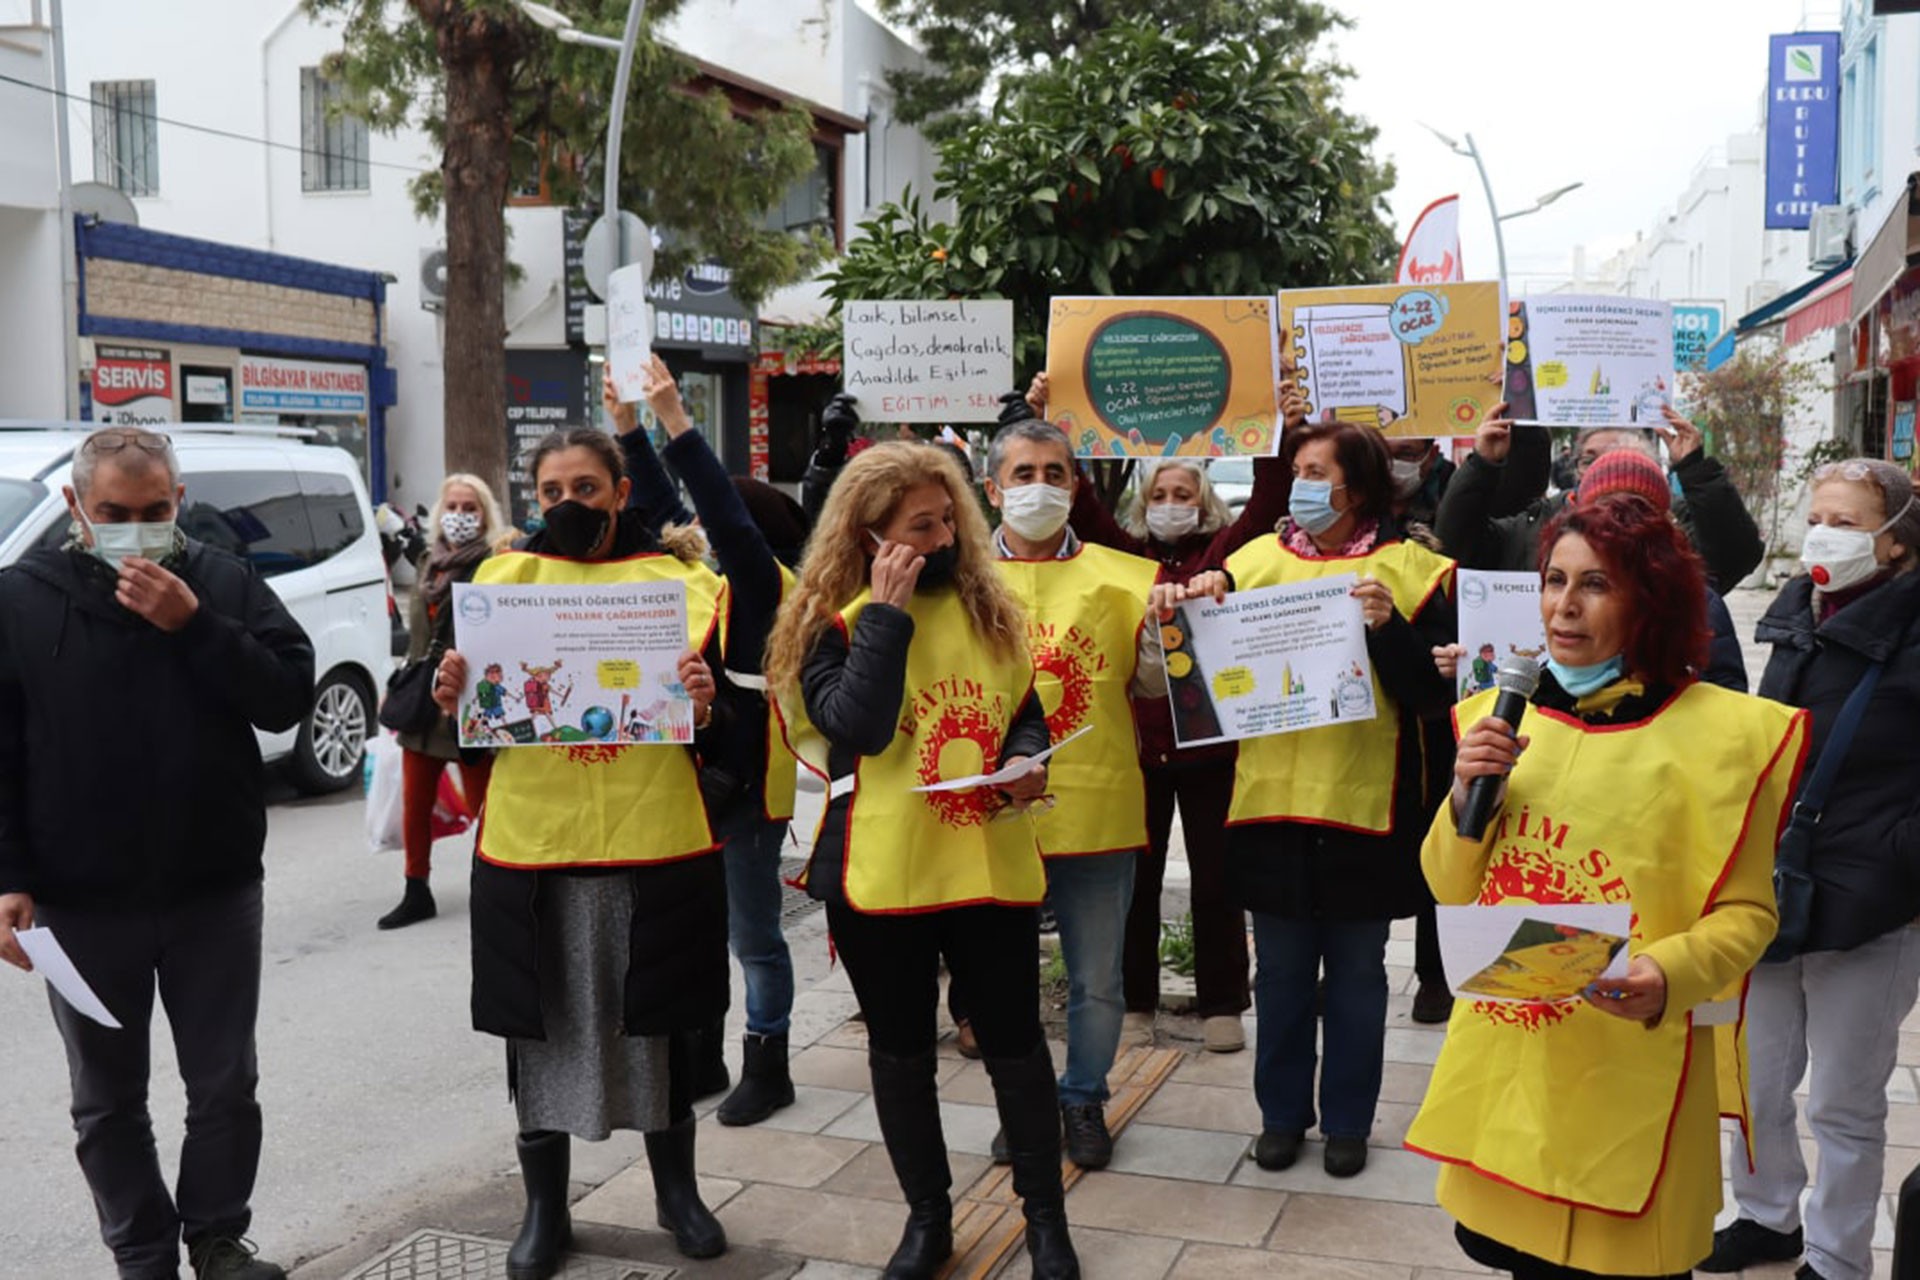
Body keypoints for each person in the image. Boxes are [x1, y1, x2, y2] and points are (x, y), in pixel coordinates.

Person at [1408, 492, 1807, 1279]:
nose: (1563, 605)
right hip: (1512, 1063)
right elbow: (1449, 887)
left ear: (1650, 599)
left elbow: (1751, 913)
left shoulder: (1730, 738)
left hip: (1634, 1062)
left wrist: (1671, 973)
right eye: (1554, 580)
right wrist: (1464, 799)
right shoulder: (1498, 715)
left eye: (1595, 584)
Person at [0, 427, 314, 1280]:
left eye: (154, 511)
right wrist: (9, 879)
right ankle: (143, 1257)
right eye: (114, 512)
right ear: (76, 507)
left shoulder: (220, 581)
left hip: (211, 888)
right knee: (107, 1103)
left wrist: (197, 626)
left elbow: (288, 697)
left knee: (223, 1086)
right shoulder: (21, 597)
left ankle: (216, 1237)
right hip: (79, 901)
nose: (136, 528)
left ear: (178, 503)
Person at [765, 441, 1081, 1280]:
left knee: (1017, 1045)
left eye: (947, 522)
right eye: (920, 527)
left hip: (986, 865)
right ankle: (928, 1220)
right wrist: (887, 615)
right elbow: (858, 728)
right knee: (902, 1054)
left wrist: (1027, 759)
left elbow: (1025, 710)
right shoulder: (829, 625)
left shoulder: (990, 609)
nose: (943, 540)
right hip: (882, 875)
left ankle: (1045, 1222)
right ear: (870, 539)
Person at [431, 427, 733, 1279]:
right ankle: (545, 1209)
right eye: (554, 492)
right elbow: (470, 733)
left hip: (654, 845)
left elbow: (730, 738)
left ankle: (678, 1194)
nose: (570, 505)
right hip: (535, 851)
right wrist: (454, 699)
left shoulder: (682, 587)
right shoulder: (501, 583)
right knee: (541, 1029)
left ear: (622, 489)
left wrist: (708, 708)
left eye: (587, 488)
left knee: (662, 1027)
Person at [1206, 420, 1456, 1179]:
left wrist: (1386, 632)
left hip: (1366, 815)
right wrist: (1192, 606)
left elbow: (1432, 699)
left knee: (1357, 979)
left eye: (1320, 470)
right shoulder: (1246, 564)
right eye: (1299, 468)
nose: (1304, 483)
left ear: (1361, 485)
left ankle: (1348, 1120)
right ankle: (1281, 1116)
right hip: (1270, 808)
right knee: (1279, 978)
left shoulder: (1417, 572)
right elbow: (1202, 678)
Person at [1703, 459, 1920, 1280]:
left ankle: (1835, 1256)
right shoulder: (1799, 610)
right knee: (1756, 1081)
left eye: (1847, 521)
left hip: (1875, 902)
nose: (1823, 533)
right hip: (1777, 882)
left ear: (1895, 544)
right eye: (1817, 515)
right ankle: (1765, 1215)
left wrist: (1901, 867)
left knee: (1844, 1101)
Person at [970, 416, 1177, 1167]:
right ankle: (1021, 1105)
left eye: (1054, 474)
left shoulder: (1127, 578)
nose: (1039, 488)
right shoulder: (957, 580)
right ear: (992, 490)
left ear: (1076, 485)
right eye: (1022, 475)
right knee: (1003, 980)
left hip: (1098, 806)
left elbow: (1156, 686)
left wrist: (1167, 631)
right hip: (991, 811)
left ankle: (1084, 1098)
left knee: (1097, 978)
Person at [606, 360, 802, 1127]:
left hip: (746, 785)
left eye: (720, 528)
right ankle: (708, 1054)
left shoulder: (761, 587)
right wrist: (627, 427)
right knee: (696, 932)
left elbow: (719, 513)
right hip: (682, 784)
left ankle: (770, 1060)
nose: (699, 531)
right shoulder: (682, 578)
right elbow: (660, 506)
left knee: (753, 935)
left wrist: (677, 421)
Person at [1435, 402, 1765, 593]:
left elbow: (1736, 556)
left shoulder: (1674, 529)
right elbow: (1457, 546)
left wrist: (1697, 470)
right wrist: (1482, 464)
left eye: (1616, 454)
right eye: (1589, 459)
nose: (1603, 467)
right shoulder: (1542, 519)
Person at [381, 473, 507, 929]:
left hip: (471, 701)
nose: (459, 516)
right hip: (422, 702)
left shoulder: (494, 564)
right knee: (414, 803)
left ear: (484, 514)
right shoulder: (426, 563)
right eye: (451, 506)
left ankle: (495, 885)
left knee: (486, 805)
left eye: (469, 508)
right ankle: (417, 889)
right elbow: (418, 633)